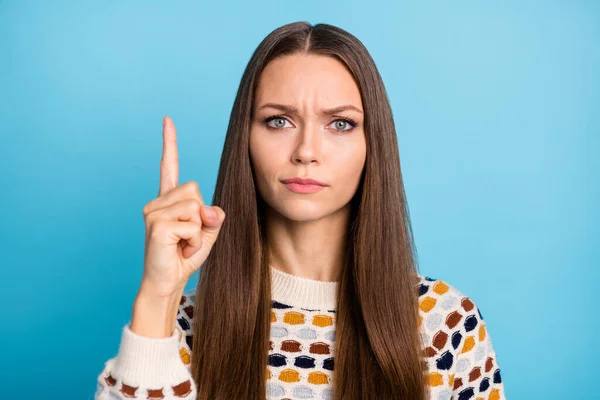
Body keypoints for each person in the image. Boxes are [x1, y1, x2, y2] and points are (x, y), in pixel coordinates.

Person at [95, 21, 505, 400]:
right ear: (245, 141)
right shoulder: (180, 326)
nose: (306, 151)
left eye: (340, 124)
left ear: (372, 145)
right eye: (278, 121)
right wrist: (157, 298)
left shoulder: (444, 323)